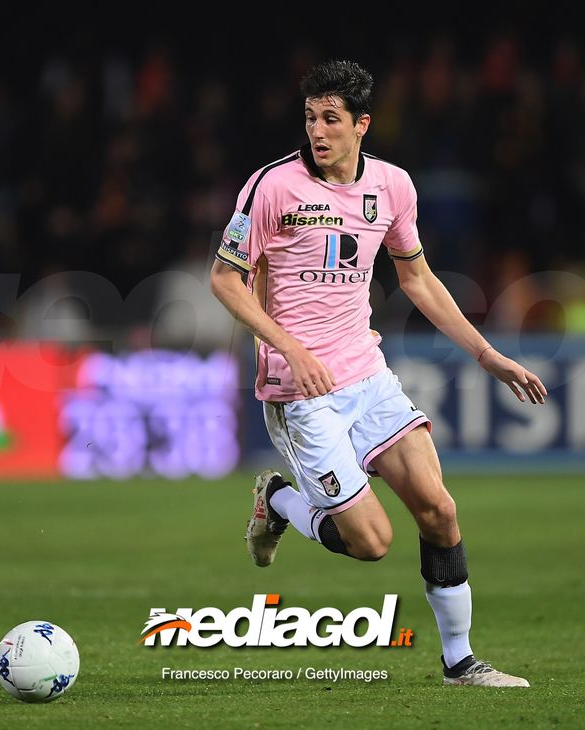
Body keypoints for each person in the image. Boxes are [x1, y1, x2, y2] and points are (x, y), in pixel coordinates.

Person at [210, 59, 547, 688]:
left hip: (368, 377)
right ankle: (278, 498)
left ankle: (460, 663)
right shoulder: (269, 188)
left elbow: (416, 278)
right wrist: (291, 348)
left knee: (440, 511)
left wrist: (487, 355)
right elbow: (225, 281)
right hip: (301, 391)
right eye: (310, 117)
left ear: (363, 124)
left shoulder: (392, 186)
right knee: (370, 542)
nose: (317, 130)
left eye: (331, 119)